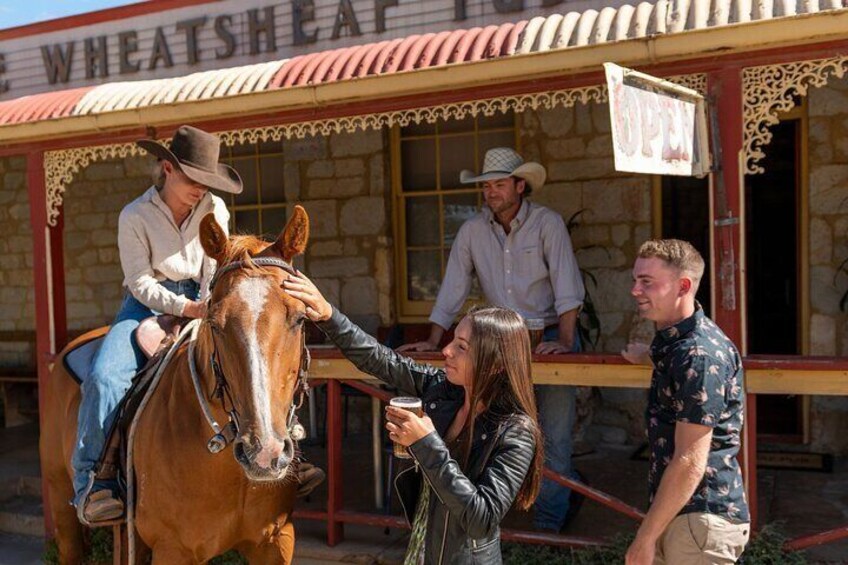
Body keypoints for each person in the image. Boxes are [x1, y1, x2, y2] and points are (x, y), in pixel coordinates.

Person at [285, 272, 544, 564]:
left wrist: (425, 442)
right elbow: (381, 360)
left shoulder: (516, 431)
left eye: (461, 347)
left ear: (495, 364)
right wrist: (329, 315)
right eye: (452, 341)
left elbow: (481, 520)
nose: (446, 351)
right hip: (422, 549)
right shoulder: (446, 392)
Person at [397, 147, 585, 532]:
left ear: (520, 185)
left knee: (554, 434)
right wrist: (434, 338)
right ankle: (487, 515)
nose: (491, 192)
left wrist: (564, 342)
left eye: (500, 184)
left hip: (547, 335)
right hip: (496, 344)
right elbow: (453, 287)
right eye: (487, 186)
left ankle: (548, 531)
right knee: (495, 424)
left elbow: (567, 285)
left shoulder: (547, 223)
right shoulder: (472, 230)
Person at [71, 125, 240, 523]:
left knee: (252, 357)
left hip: (203, 299)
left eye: (207, 180)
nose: (201, 188)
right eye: (193, 178)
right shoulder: (133, 215)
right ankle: (93, 484)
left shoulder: (215, 208)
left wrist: (206, 302)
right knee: (104, 378)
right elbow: (140, 282)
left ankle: (282, 459)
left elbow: (215, 262)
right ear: (167, 168)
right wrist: (185, 308)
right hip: (145, 305)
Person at [622, 239, 749, 565]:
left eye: (646, 282)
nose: (635, 290)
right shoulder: (680, 348)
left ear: (683, 286)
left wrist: (645, 538)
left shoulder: (698, 355)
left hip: (699, 521)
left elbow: (690, 460)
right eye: (635, 280)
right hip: (685, 517)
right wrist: (650, 358)